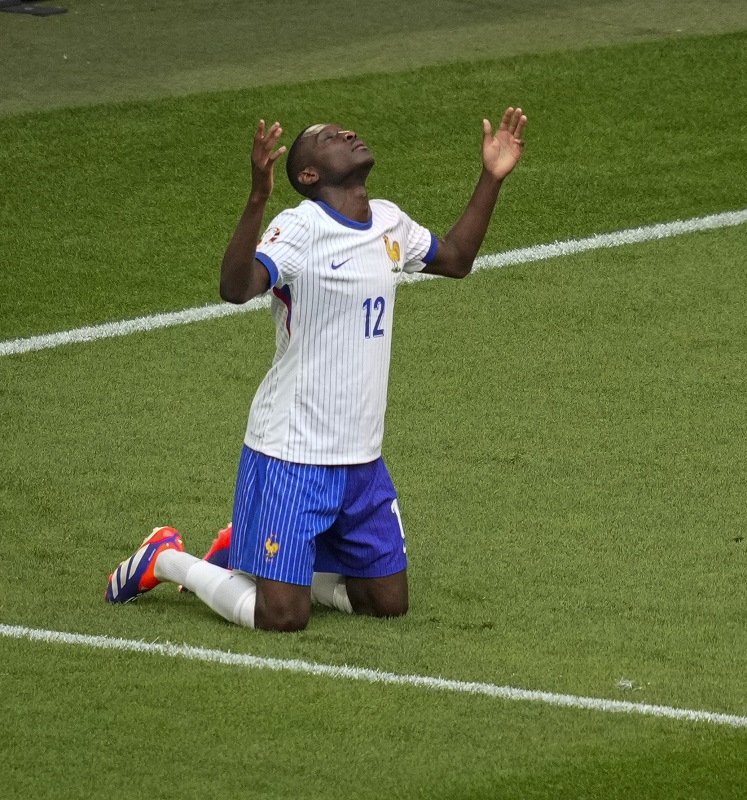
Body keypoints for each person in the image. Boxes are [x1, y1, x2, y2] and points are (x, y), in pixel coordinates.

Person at [104, 107, 528, 631]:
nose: (349, 133)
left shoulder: (389, 221)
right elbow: (236, 289)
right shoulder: (300, 227)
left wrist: (491, 177)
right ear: (308, 175)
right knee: (281, 618)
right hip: (292, 452)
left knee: (387, 604)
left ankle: (247, 553)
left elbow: (458, 258)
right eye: (330, 138)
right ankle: (166, 558)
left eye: (347, 130)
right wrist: (258, 196)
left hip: (362, 459)